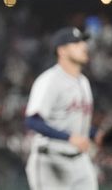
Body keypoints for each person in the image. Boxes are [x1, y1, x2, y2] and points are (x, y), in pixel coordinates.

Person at [24, 27, 97, 190]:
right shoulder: (49, 81)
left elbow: (76, 123)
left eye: (83, 42)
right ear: (62, 51)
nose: (84, 46)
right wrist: (69, 138)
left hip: (80, 161)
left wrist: (97, 135)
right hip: (50, 161)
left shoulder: (83, 82)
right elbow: (32, 121)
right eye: (76, 43)